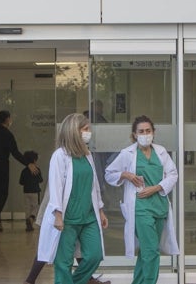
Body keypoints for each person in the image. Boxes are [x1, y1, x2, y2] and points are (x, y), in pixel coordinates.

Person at [104, 115, 179, 284]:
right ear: (134, 134)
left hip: (160, 207)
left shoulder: (160, 151)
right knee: (152, 250)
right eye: (141, 131)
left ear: (153, 132)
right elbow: (109, 174)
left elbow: (173, 174)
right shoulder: (127, 154)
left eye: (148, 131)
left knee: (147, 251)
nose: (145, 134)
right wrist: (126, 174)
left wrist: (157, 187)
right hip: (140, 208)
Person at [37, 113, 109, 284]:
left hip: (89, 216)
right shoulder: (60, 156)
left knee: (94, 255)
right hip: (67, 218)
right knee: (64, 262)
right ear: (73, 132)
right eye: (85, 129)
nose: (88, 132)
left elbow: (95, 185)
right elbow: (55, 187)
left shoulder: (87, 155)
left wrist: (100, 210)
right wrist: (58, 214)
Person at [24, 186, 111, 284]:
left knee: (78, 246)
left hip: (79, 204)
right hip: (59, 203)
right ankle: (30, 280)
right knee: (49, 245)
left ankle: (87, 279)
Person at [0, 110, 39, 232]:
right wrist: (28, 163)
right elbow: (15, 153)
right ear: (7, 119)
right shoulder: (7, 134)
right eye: (10, 119)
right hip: (1, 166)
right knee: (3, 192)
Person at [19, 150, 43, 232]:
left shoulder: (24, 171)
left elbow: (21, 182)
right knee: (35, 207)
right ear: (34, 160)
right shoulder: (37, 170)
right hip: (35, 191)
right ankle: (31, 219)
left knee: (27, 207)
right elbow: (40, 180)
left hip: (26, 192)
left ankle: (28, 222)